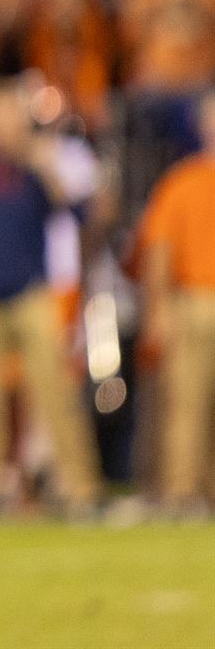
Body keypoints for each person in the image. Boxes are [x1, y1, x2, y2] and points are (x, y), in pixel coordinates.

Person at [0, 78, 100, 515]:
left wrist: (46, 168)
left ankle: (79, 484)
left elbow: (82, 214)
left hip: (31, 295)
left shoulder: (38, 164)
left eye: (10, 115)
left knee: (55, 395)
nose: (3, 125)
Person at [135, 89, 215, 514]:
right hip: (194, 302)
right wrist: (157, 308)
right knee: (185, 404)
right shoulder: (181, 181)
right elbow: (158, 248)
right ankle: (181, 493)